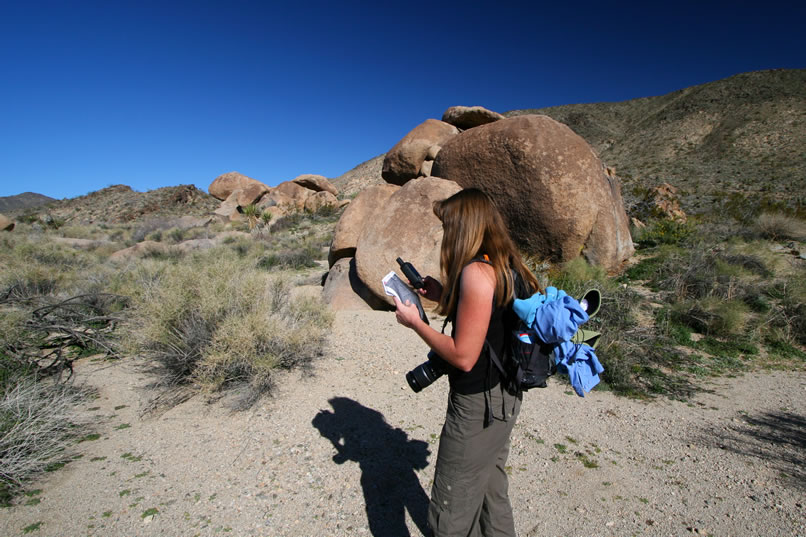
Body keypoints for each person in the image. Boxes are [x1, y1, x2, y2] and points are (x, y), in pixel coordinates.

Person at [393, 188, 541, 537]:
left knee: (451, 511)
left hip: (479, 406)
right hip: (505, 395)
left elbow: (463, 355)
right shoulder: (505, 263)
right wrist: (443, 293)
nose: (445, 234)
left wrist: (415, 322)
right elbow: (492, 318)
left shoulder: (476, 272)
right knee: (491, 490)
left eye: (448, 226)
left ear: (464, 227)